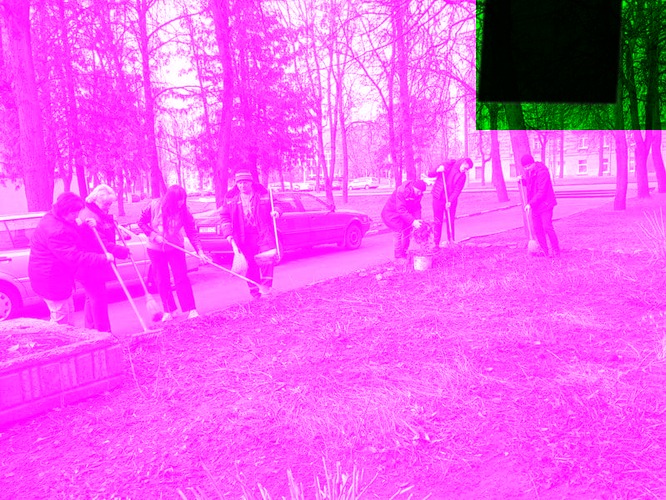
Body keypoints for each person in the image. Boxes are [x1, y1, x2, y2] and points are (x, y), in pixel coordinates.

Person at [28, 192, 113, 325]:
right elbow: (74, 256)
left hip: (57, 276)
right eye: (74, 213)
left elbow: (70, 231)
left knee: (68, 311)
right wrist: (102, 258)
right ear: (66, 211)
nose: (77, 216)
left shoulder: (55, 216)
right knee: (60, 317)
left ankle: (70, 336)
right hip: (50, 279)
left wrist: (84, 226)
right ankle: (59, 339)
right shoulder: (56, 231)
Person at [138, 185, 211, 321]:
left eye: (183, 199)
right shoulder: (154, 206)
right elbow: (141, 222)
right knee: (162, 279)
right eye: (178, 200)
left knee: (181, 277)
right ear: (170, 199)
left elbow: (191, 231)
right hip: (155, 249)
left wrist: (200, 251)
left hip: (175, 247)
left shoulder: (184, 211)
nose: (181, 202)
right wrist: (154, 235)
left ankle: (191, 309)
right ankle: (169, 310)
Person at [76, 185, 131, 332]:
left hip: (95, 262)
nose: (108, 207)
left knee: (92, 298)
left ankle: (91, 330)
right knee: (98, 299)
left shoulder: (98, 213)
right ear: (95, 200)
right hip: (92, 264)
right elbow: (100, 242)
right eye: (106, 204)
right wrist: (121, 251)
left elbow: (107, 233)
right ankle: (104, 332)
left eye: (110, 204)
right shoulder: (89, 216)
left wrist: (112, 223)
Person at [220, 170, 281, 300]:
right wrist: (228, 234)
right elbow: (224, 216)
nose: (242, 186)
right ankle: (255, 293)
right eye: (240, 183)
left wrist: (276, 211)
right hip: (243, 237)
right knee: (250, 265)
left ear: (251, 183)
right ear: (236, 184)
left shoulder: (264, 194)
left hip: (263, 233)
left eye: (245, 183)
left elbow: (277, 204)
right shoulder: (230, 199)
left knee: (266, 260)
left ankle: (266, 290)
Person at [519, 154, 560, 257]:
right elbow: (530, 185)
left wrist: (530, 204)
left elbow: (541, 191)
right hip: (536, 205)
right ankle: (544, 250)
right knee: (537, 228)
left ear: (532, 163)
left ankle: (556, 250)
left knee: (547, 226)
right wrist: (522, 181)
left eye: (528, 166)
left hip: (546, 204)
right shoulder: (530, 172)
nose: (527, 169)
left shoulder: (542, 172)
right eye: (525, 167)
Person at [380, 179, 427, 265]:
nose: (420, 193)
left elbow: (417, 208)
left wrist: (418, 220)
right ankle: (398, 258)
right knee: (398, 232)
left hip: (404, 214)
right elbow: (400, 209)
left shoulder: (418, 194)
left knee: (407, 232)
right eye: (419, 191)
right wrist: (413, 221)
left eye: (421, 192)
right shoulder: (401, 191)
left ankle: (404, 253)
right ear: (414, 187)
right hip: (392, 213)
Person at [428, 158, 473, 248]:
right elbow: (430, 174)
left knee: (450, 221)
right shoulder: (447, 165)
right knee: (438, 221)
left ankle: (451, 241)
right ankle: (436, 244)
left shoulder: (462, 176)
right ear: (463, 162)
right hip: (438, 198)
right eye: (465, 168)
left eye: (467, 170)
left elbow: (457, 190)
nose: (465, 171)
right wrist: (437, 170)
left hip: (451, 200)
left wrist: (450, 201)